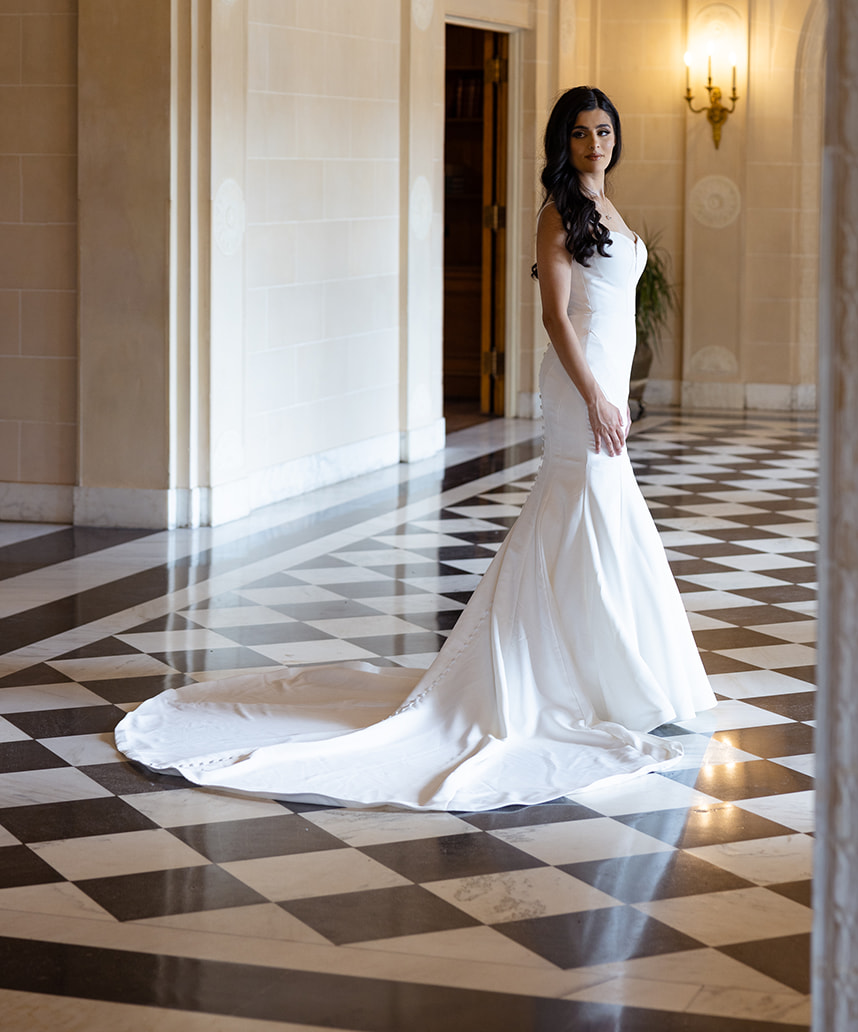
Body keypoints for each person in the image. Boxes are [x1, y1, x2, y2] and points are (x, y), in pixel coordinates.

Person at [115, 86, 715, 811]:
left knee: (598, 513)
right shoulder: (556, 212)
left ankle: (603, 674)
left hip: (607, 379)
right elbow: (556, 317)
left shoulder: (609, 207)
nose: (596, 144)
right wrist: (592, 393)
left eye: (605, 131)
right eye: (583, 134)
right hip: (580, 382)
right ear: (564, 142)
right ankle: (575, 678)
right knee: (582, 507)